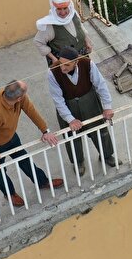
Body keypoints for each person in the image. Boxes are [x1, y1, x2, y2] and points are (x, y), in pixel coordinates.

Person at [0, 80, 63, 208]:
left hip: (12, 137)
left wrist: (45, 130)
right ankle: (9, 193)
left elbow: (31, 111)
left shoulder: (19, 99)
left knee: (25, 160)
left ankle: (42, 182)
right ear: (18, 97)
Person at [48, 47, 116, 176]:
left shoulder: (87, 63)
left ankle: (107, 155)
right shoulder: (52, 72)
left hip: (89, 101)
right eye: (61, 63)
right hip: (68, 105)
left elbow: (100, 84)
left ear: (76, 62)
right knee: (72, 137)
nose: (63, 68)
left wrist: (107, 106)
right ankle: (78, 162)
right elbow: (57, 99)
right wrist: (70, 119)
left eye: (67, 65)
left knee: (100, 130)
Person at [35, 0, 91, 66]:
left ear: (69, 7)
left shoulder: (73, 14)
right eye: (59, 9)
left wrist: (87, 42)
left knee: (85, 73)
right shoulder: (49, 25)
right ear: (54, 9)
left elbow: (80, 27)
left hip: (81, 54)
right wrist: (53, 58)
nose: (63, 12)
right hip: (64, 62)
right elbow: (38, 42)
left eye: (65, 8)